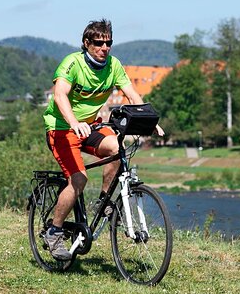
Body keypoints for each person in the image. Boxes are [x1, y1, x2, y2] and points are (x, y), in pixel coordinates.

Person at [42, 19, 164, 260]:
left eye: (108, 43)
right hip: (61, 129)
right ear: (86, 43)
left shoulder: (113, 65)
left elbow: (131, 94)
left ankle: (103, 201)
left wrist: (148, 120)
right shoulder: (72, 64)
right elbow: (60, 95)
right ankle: (54, 232)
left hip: (91, 126)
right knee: (78, 179)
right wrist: (74, 123)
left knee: (117, 148)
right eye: (99, 43)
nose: (104, 47)